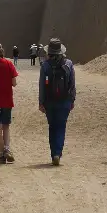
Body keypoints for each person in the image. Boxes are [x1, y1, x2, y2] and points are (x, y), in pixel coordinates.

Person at [38, 38, 76, 166]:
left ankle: (53, 152)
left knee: (52, 127)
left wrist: (41, 102)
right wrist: (72, 100)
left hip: (49, 102)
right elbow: (72, 84)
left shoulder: (45, 65)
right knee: (61, 127)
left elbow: (42, 86)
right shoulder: (68, 64)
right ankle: (57, 153)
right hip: (64, 101)